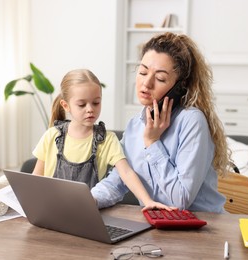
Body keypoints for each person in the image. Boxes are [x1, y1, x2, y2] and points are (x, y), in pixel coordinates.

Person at [91, 32, 231, 213]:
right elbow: (118, 182)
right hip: (157, 230)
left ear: (179, 88)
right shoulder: (135, 125)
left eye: (160, 78)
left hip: (203, 230)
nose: (146, 83)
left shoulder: (192, 121)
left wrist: (152, 142)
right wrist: (88, 200)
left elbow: (179, 201)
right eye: (142, 72)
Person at [32, 69, 171, 210]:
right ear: (66, 105)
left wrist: (147, 201)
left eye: (96, 103)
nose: (90, 109)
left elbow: (127, 173)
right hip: (52, 211)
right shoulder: (51, 136)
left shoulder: (107, 140)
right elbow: (35, 179)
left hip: (87, 213)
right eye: (82, 105)